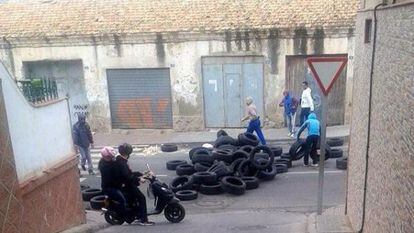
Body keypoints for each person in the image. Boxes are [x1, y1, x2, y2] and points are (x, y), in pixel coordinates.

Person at [115, 143, 154, 226]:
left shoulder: (121, 161)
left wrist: (141, 173)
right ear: (127, 153)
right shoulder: (121, 163)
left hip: (126, 184)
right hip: (127, 185)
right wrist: (139, 179)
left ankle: (138, 216)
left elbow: (129, 173)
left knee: (135, 199)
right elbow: (127, 177)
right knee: (141, 198)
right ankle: (144, 220)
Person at [98, 146, 126, 216]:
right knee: (122, 200)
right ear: (106, 157)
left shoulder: (111, 162)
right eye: (109, 157)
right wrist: (120, 183)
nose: (111, 158)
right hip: (109, 188)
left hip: (114, 185)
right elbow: (112, 179)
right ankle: (120, 215)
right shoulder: (105, 167)